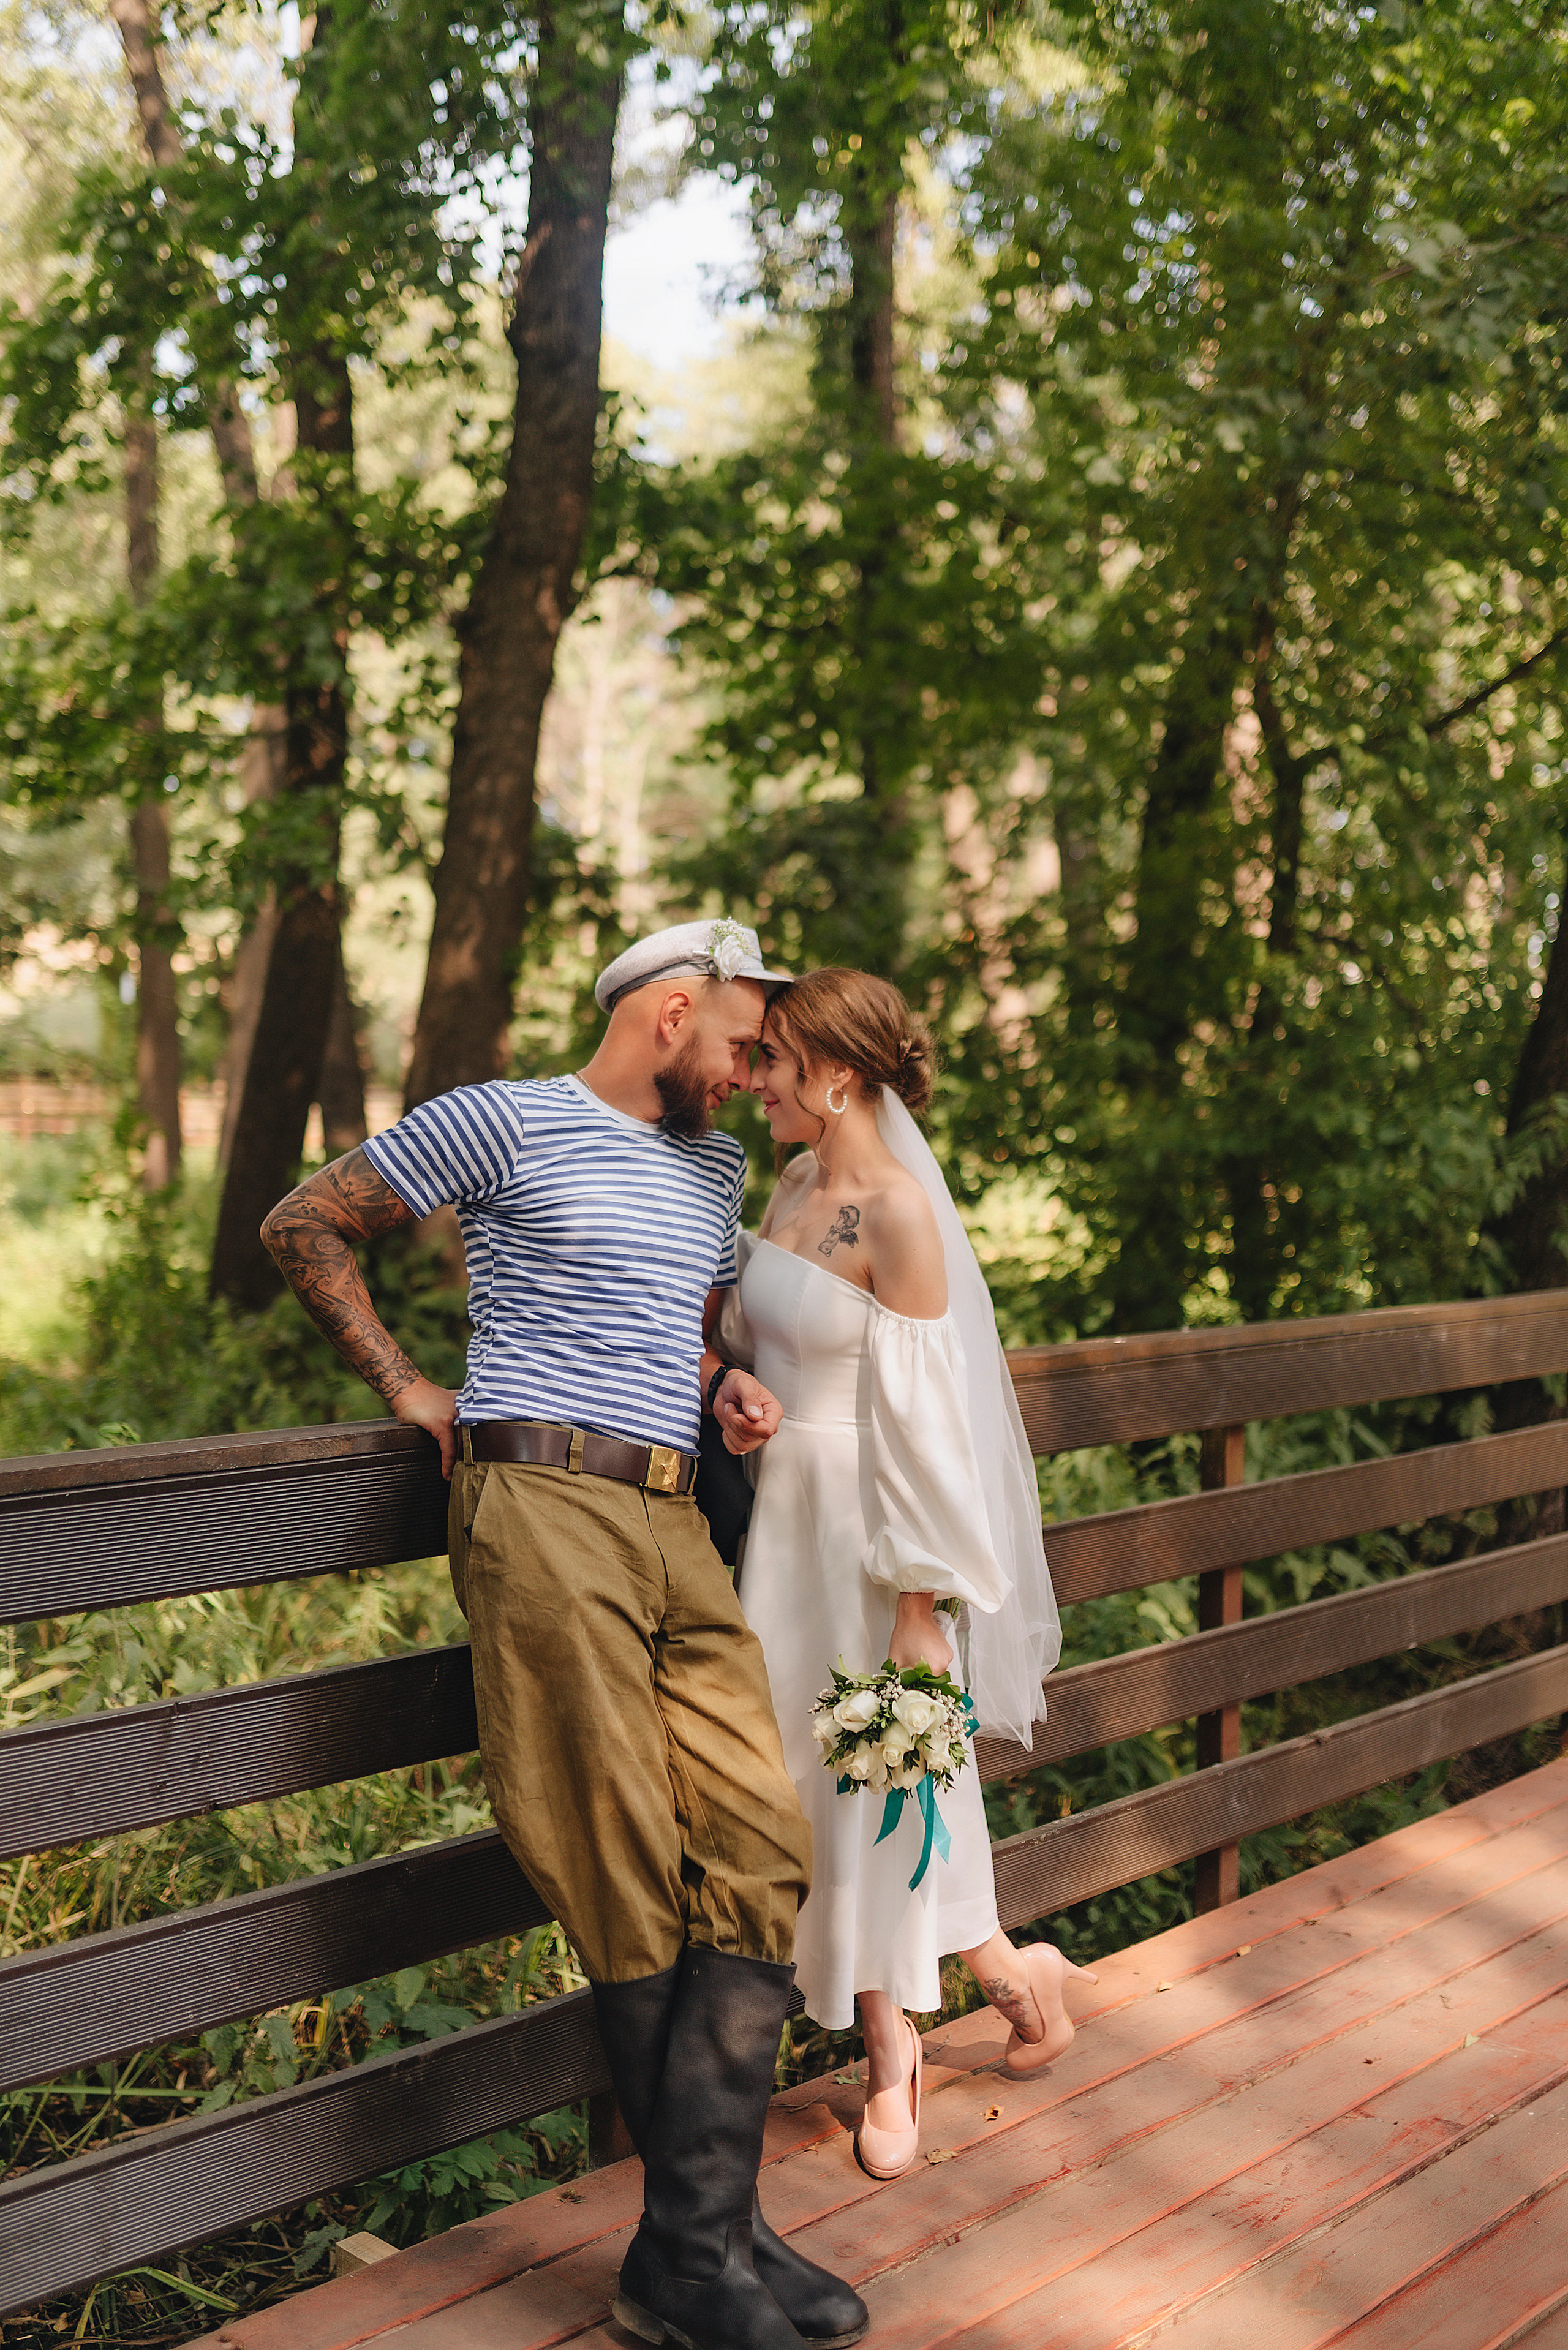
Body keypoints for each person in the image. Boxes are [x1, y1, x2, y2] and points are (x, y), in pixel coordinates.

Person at [259, 918, 868, 2350]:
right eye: (740, 1037)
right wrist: (410, 1383)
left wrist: (724, 1380)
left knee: (758, 1839)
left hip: (671, 1517)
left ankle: (696, 2226)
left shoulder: (708, 1163)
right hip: (540, 1501)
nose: (750, 1066)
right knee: (615, 1854)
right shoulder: (506, 1119)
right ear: (669, 1011)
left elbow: (685, 1315)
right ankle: (694, 2250)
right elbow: (303, 1219)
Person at [731, 967, 1095, 2180]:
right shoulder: (790, 1183)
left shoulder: (896, 1213)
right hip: (777, 1529)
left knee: (878, 1793)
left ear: (836, 1073)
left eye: (774, 1059)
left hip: (869, 1545)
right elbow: (757, 1338)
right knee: (810, 1789)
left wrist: (918, 1606)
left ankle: (894, 2058)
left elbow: (929, 1426)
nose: (754, 1077)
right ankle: (1011, 1977)